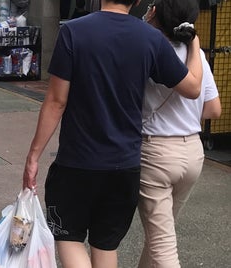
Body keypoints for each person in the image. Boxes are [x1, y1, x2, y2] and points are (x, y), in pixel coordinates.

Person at [21, 0, 204, 267]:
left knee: (69, 237)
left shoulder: (74, 32)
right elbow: (193, 88)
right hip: (125, 166)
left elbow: (56, 101)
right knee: (105, 244)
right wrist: (194, 43)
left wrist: (33, 156)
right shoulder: (151, 38)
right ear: (138, 1)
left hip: (77, 162)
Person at [138, 0, 221, 267]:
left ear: (155, 15)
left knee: (162, 244)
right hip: (193, 154)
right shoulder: (197, 57)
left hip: (156, 153)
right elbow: (214, 109)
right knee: (161, 236)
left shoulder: (146, 50)